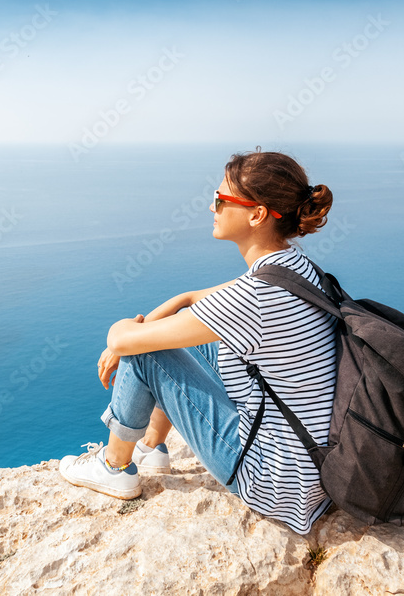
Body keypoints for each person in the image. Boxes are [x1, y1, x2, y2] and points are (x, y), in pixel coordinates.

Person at [58, 147, 337, 535]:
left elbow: (124, 340)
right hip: (311, 469)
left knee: (147, 353)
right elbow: (191, 301)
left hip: (273, 482)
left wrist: (120, 339)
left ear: (257, 214)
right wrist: (163, 312)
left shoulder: (254, 297)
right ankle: (151, 445)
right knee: (194, 340)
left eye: (221, 200)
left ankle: (114, 466)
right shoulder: (296, 270)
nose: (212, 207)